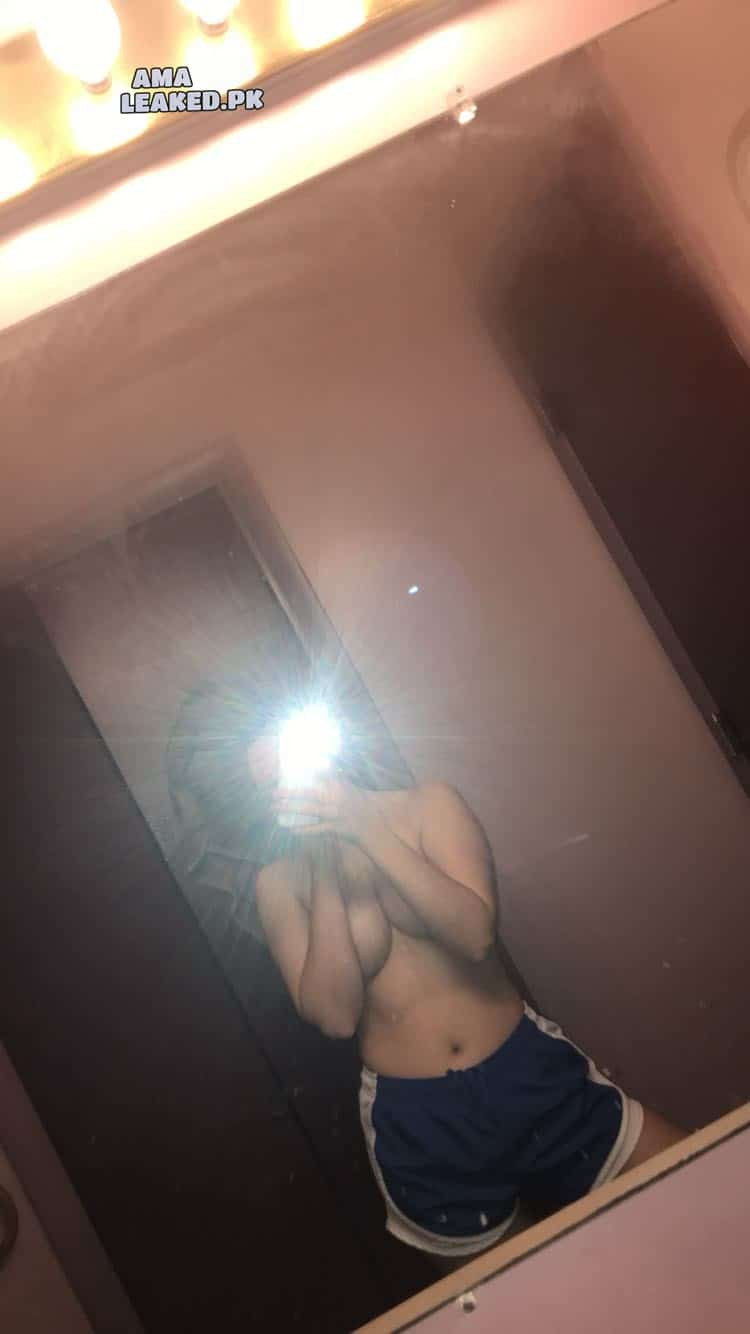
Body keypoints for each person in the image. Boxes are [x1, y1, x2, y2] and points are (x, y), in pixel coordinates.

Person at [167, 677, 685, 1272]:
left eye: (290, 766)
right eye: (270, 789)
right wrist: (323, 860)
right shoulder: (278, 883)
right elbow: (335, 1016)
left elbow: (473, 934)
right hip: (418, 1122)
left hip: (527, 1071)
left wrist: (362, 824)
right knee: (522, 1304)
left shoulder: (429, 806)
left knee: (704, 1192)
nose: (291, 789)